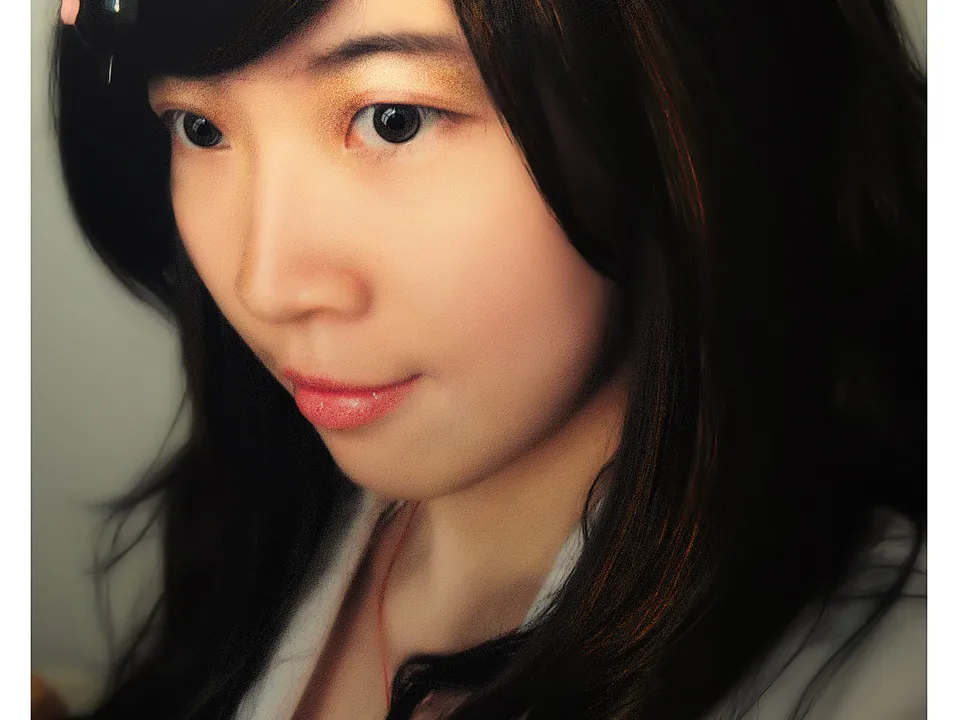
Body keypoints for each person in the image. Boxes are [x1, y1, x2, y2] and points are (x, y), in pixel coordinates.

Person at [50, 0, 926, 718]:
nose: (267, 284)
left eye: (393, 120)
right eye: (200, 127)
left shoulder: (895, 680)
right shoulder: (250, 530)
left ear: (670, 116)